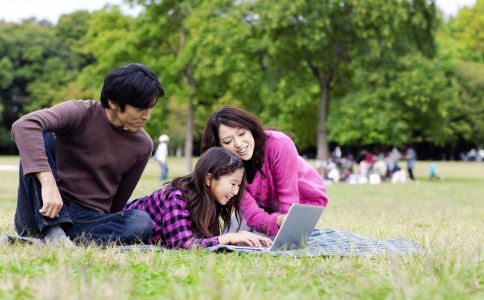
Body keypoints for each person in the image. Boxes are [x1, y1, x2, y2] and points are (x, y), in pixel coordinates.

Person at [11, 63, 164, 246]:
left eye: (150, 108)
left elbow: (117, 204)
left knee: (141, 221)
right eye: (140, 109)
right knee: (40, 135)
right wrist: (48, 183)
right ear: (113, 102)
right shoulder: (79, 112)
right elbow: (24, 126)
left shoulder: (143, 145)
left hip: (86, 221)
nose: (147, 116)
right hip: (42, 209)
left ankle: (53, 241)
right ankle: (52, 231)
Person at [201, 106, 329, 237]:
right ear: (219, 147)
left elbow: (289, 206)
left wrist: (282, 224)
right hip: (267, 206)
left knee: (264, 237)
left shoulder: (279, 144)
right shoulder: (228, 167)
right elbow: (252, 214)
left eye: (242, 133)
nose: (238, 144)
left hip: (303, 203)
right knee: (232, 235)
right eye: (228, 141)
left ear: (250, 129)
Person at [124, 147, 272, 249]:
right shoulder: (177, 196)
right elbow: (182, 245)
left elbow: (205, 242)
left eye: (239, 185)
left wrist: (240, 237)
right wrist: (229, 237)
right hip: (124, 221)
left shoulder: (210, 201)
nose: (235, 191)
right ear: (209, 179)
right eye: (233, 184)